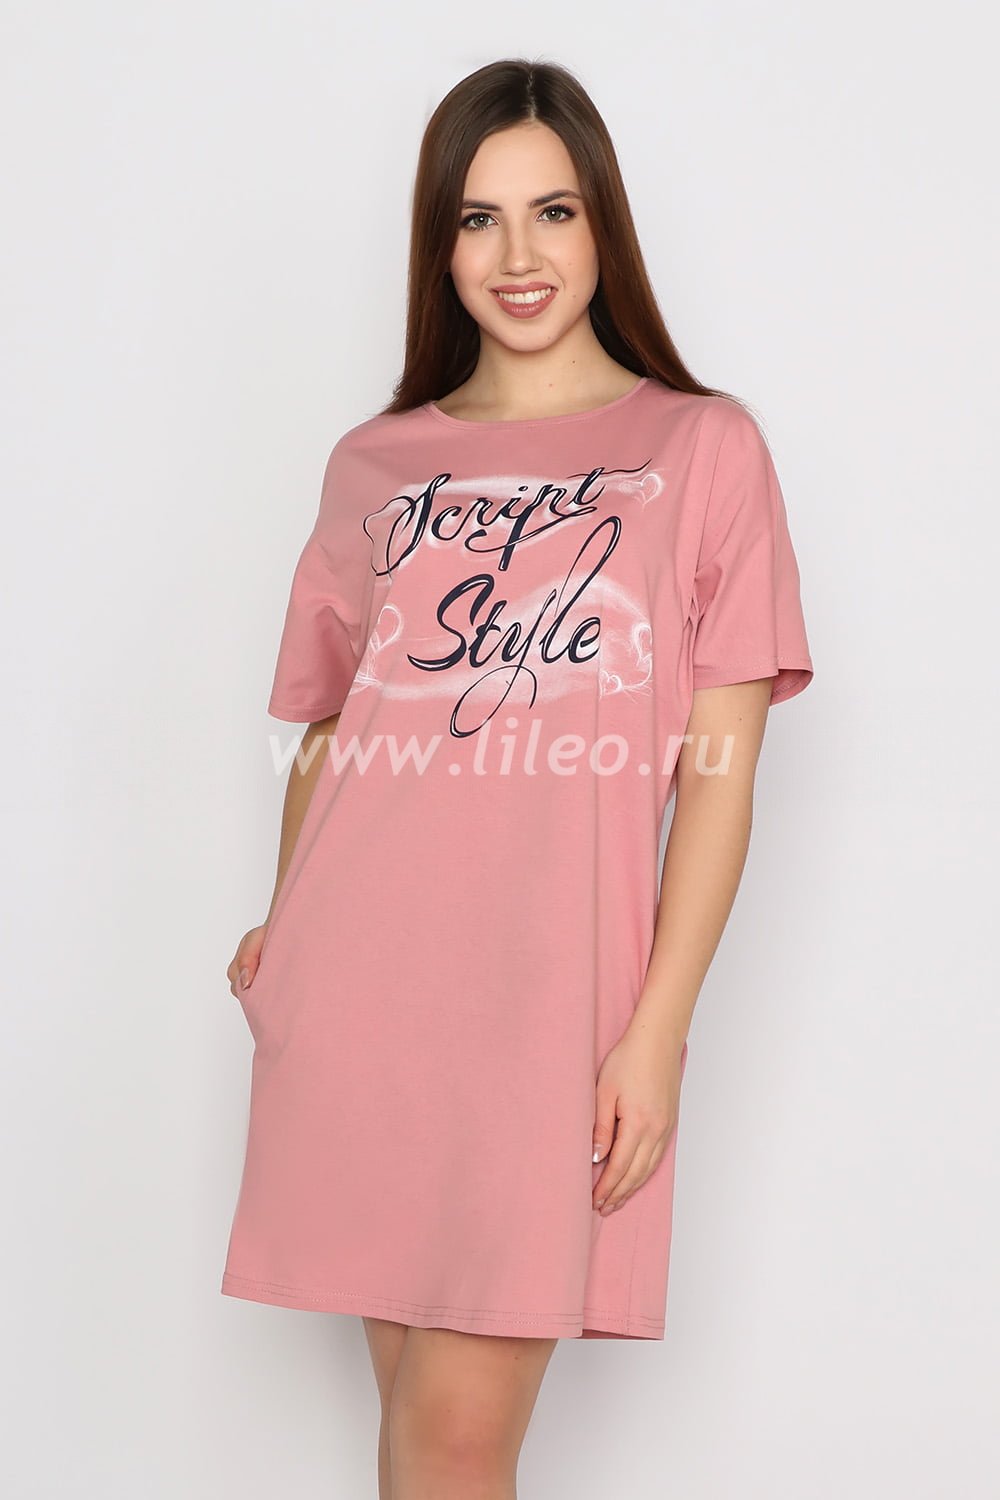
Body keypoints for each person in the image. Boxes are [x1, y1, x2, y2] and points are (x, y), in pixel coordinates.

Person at [221, 56, 814, 1500]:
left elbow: (720, 776)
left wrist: (655, 1034)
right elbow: (330, 729)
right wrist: (283, 925)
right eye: (477, 219)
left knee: (450, 1444)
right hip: (359, 996)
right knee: (420, 1443)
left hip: (552, 1010)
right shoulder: (375, 463)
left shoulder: (701, 446)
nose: (517, 255)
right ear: (439, 244)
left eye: (553, 211)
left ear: (603, 222)